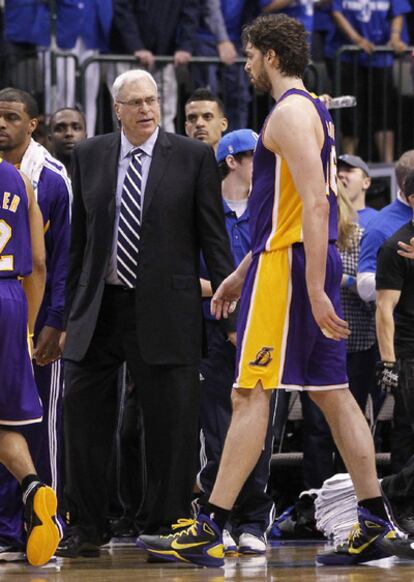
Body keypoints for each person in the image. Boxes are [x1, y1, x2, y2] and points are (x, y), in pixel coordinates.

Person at [139, 14, 413, 567]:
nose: (244, 65)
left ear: (268, 54)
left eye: (248, 55)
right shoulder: (310, 109)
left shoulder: (288, 112)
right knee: (333, 394)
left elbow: (317, 204)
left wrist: (311, 286)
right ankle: (376, 518)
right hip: (286, 263)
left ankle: (210, 526)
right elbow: (287, 210)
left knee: (249, 393)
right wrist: (243, 270)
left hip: (292, 272)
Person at [57, 68, 235, 558]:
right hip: (100, 306)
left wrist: (230, 311)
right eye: (134, 102)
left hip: (167, 307)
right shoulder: (90, 155)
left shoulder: (193, 156)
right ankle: (87, 527)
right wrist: (67, 311)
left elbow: (214, 241)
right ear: (117, 109)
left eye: (152, 100)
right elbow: (80, 243)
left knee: (170, 427)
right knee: (83, 419)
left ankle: (167, 523)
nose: (145, 110)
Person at [197, 128, 276, 554]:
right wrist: (228, 289)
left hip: (261, 329)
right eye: (256, 157)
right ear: (233, 160)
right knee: (217, 429)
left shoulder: (268, 211)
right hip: (212, 333)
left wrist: (238, 289)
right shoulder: (206, 211)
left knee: (259, 428)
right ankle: (216, 515)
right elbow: (186, 278)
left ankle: (253, 521)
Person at [0, 88, 71, 560]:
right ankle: (33, 490)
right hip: (12, 299)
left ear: (33, 123)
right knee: (9, 421)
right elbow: (39, 264)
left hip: (24, 306)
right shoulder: (17, 179)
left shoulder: (50, 176)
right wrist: (26, 322)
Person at [325, 0, 409, 161]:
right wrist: (357, 39)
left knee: (384, 114)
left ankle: (388, 166)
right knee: (350, 115)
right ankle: (349, 163)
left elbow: (398, 12)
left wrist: (395, 36)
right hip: (347, 56)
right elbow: (336, 11)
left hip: (380, 56)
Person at [376, 169, 414, 472]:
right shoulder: (396, 247)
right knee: (408, 431)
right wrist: (389, 364)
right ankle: (403, 506)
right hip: (409, 353)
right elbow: (384, 308)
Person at [111, 0, 198, 132]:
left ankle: (165, 152)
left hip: (164, 57)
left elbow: (190, 14)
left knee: (166, 114)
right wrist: (136, 46)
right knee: (126, 113)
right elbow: (123, 11)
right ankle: (125, 151)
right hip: (128, 56)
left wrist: (185, 47)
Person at [357, 149, 414, 303]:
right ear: (406, 185)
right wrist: (399, 277)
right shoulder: (380, 227)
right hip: (402, 321)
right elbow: (364, 285)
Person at [337, 154, 377, 230]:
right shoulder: (326, 218)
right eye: (337, 171)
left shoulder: (377, 221)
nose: (340, 174)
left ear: (366, 183)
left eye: (348, 170)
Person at [184, 88, 228, 153]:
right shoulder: (175, 162)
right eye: (192, 118)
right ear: (186, 128)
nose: (199, 123)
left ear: (223, 124)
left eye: (207, 117)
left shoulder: (238, 162)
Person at [48, 107, 87, 178]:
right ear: (50, 138)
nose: (69, 133)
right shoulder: (38, 174)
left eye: (76, 128)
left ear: (85, 136)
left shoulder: (98, 174)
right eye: (60, 129)